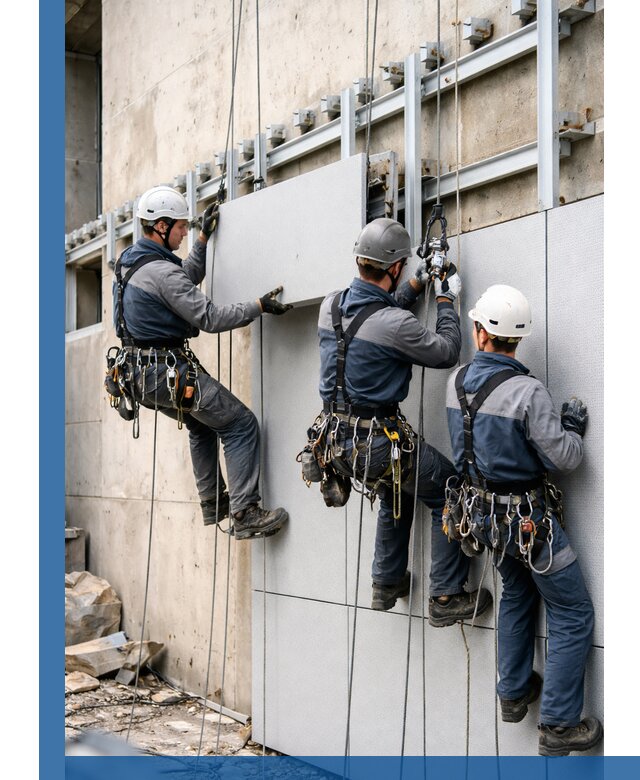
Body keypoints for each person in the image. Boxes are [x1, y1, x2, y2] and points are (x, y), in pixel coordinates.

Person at [445, 284, 602, 756]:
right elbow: (565, 459)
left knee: (516, 594)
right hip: (530, 523)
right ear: (518, 339)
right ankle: (557, 724)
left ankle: (512, 693)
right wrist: (571, 424)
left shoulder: (456, 383)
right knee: (573, 613)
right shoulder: (528, 393)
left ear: (479, 332)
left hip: (488, 521)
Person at [311, 217, 491, 624]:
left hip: (336, 439)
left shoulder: (331, 305)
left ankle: (386, 582)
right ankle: (445, 597)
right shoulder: (395, 324)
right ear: (394, 268)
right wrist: (445, 299)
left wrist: (414, 285)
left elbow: (371, 319)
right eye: (404, 269)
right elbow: (445, 352)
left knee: (399, 486)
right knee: (448, 486)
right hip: (375, 441)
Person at [111, 185, 291, 540]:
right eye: (180, 226)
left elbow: (182, 279)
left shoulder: (133, 260)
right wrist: (258, 306)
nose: (184, 231)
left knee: (202, 424)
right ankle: (245, 512)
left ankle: (213, 502)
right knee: (240, 424)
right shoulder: (161, 272)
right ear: (161, 226)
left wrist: (204, 239)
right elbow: (209, 317)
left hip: (139, 375)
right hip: (164, 372)